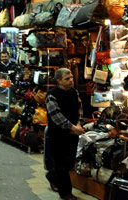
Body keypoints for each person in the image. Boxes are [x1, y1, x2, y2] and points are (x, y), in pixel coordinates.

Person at [45, 68, 84, 200]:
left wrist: (78, 124)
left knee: (69, 163)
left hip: (72, 133)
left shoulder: (74, 92)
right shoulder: (52, 95)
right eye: (67, 79)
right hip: (58, 135)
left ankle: (52, 175)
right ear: (59, 81)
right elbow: (56, 116)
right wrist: (72, 127)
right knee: (62, 164)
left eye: (72, 78)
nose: (71, 80)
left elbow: (79, 108)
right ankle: (66, 193)